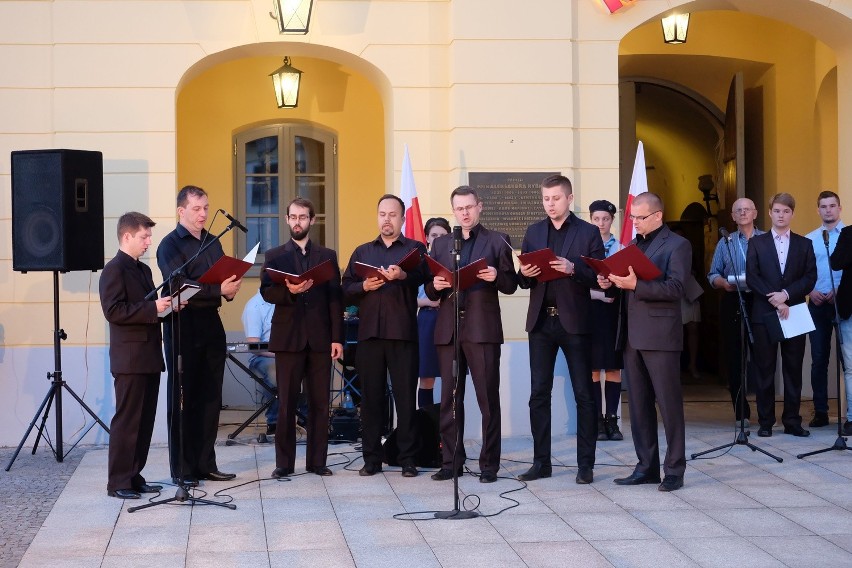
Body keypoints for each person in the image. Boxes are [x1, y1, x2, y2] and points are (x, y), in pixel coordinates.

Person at [426, 186, 518, 484]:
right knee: (450, 398)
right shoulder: (441, 245)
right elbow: (429, 288)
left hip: (482, 329)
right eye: (459, 208)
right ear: (453, 210)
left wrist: (496, 277)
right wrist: (435, 287)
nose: (464, 213)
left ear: (480, 207)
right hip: (449, 330)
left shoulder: (497, 240)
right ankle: (451, 460)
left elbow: (511, 284)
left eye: (469, 207)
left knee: (487, 398)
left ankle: (489, 464)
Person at [600, 192, 691, 492]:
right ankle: (646, 466)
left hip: (661, 337)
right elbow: (628, 289)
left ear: (658, 216)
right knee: (638, 406)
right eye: (633, 217)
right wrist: (611, 282)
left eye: (640, 217)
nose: (635, 222)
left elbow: (676, 288)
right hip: (632, 336)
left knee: (669, 405)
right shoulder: (635, 246)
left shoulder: (678, 245)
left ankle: (675, 469)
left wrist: (636, 284)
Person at [516, 175, 604, 484]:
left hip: (575, 322)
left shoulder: (589, 232)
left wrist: (574, 269)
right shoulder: (534, 231)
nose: (550, 204)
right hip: (541, 322)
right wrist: (524, 272)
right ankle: (542, 463)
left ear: (569, 198)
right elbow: (523, 281)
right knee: (539, 393)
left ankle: (585, 464)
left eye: (555, 198)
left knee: (584, 393)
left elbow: (599, 277)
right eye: (546, 199)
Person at [157, 185, 242, 486]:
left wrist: (229, 287)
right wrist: (218, 290)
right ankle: (182, 469)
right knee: (183, 397)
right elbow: (180, 286)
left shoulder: (212, 241)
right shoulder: (169, 245)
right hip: (182, 327)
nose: (204, 213)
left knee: (210, 397)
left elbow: (216, 281)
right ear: (181, 211)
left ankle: (206, 464)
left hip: (210, 325)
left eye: (206, 207)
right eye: (197, 208)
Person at [342, 194, 429, 478]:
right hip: (369, 337)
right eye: (382, 214)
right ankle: (371, 459)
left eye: (393, 214)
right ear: (377, 216)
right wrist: (364, 286)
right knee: (370, 400)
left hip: (403, 334)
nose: (387, 219)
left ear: (402, 219)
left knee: (405, 399)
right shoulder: (363, 252)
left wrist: (404, 276)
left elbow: (428, 280)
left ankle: (407, 459)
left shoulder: (415, 249)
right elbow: (344, 290)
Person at [261, 197, 343, 478]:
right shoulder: (274, 256)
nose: (297, 222)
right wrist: (289, 293)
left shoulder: (328, 255)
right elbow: (266, 292)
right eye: (293, 217)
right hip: (288, 338)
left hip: (320, 339)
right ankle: (283, 463)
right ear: (287, 220)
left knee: (321, 403)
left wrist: (337, 338)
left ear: (312, 220)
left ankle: (317, 461)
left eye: (303, 217)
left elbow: (335, 299)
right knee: (286, 402)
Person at [100, 212, 173, 499]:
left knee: (144, 421)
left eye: (149, 237)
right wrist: (153, 309)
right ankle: (118, 481)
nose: (148, 242)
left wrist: (166, 309)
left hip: (149, 355)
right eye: (144, 236)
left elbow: (148, 311)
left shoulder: (143, 271)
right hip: (129, 359)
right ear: (127, 236)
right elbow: (114, 312)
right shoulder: (113, 270)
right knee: (128, 421)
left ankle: (134, 474)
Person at [746, 192, 816, 438]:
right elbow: (752, 276)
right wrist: (774, 299)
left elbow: (810, 278)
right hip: (764, 313)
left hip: (794, 311)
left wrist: (786, 294)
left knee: (793, 368)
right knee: (765, 369)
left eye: (786, 211)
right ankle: (766, 421)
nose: (781, 215)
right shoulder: (756, 243)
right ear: (769, 213)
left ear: (792, 214)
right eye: (777, 211)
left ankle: (792, 421)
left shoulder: (804, 244)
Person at [707, 198, 764, 424]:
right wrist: (723, 283)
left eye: (746, 209)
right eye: (738, 210)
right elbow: (712, 275)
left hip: (761, 301)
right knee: (735, 358)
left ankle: (766, 413)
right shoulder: (725, 241)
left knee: (763, 357)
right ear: (732, 216)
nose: (742, 213)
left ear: (755, 213)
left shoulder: (766, 239)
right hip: (733, 298)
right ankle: (741, 413)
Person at [805, 191, 844, 428]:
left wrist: (840, 291)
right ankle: (820, 411)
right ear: (817, 210)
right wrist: (811, 291)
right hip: (817, 304)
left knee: (847, 361)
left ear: (840, 208)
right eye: (823, 206)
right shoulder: (809, 239)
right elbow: (803, 272)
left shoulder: (849, 236)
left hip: (843, 304)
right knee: (818, 358)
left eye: (832, 206)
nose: (828, 210)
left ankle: (849, 413)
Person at [588, 199, 625, 441]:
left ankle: (612, 419)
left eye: (606, 219)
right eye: (597, 219)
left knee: (612, 367)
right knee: (592, 368)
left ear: (612, 220)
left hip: (613, 312)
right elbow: (577, 280)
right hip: (590, 311)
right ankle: (596, 421)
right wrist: (596, 294)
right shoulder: (584, 245)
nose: (601, 223)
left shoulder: (621, 248)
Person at [417, 217, 451, 408]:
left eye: (442, 235)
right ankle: (428, 430)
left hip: (448, 319)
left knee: (450, 377)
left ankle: (448, 432)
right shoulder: (421, 262)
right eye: (434, 235)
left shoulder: (454, 258)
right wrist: (427, 301)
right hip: (427, 320)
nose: (438, 239)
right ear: (427, 238)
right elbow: (408, 297)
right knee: (427, 378)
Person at [241, 289, 278, 436]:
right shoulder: (254, 306)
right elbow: (254, 346)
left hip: (288, 353)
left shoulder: (286, 301)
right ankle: (274, 421)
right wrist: (280, 354)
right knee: (275, 372)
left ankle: (304, 416)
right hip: (263, 356)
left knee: (311, 366)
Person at [828, 223, 852, 436]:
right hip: (850, 308)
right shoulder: (848, 233)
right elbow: (835, 263)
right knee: (851, 367)